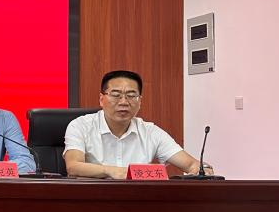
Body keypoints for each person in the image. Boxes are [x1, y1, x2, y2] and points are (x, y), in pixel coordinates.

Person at [64, 69, 209, 179]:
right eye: (116, 95)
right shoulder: (80, 126)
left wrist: (203, 170)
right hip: (93, 200)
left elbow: (191, 164)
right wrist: (113, 171)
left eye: (131, 95)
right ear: (102, 99)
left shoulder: (150, 132)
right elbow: (73, 166)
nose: (124, 102)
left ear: (140, 101)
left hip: (139, 202)